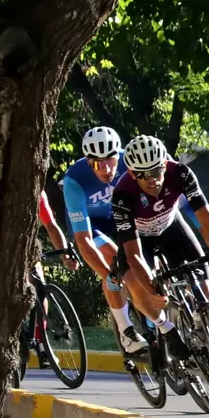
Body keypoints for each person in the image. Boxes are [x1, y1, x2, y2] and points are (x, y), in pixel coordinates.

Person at [110, 135, 209, 361]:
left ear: (164, 164)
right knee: (136, 283)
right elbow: (133, 254)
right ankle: (165, 328)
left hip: (172, 228)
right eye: (143, 175)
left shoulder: (180, 173)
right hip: (141, 240)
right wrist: (152, 291)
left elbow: (206, 218)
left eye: (156, 171)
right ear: (132, 174)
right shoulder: (122, 195)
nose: (152, 179)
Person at [62, 126, 148, 354]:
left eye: (111, 161)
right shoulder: (74, 179)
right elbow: (84, 240)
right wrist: (108, 275)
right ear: (89, 162)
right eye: (99, 164)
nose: (107, 169)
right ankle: (126, 329)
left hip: (118, 215)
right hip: (90, 224)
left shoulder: (129, 161)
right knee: (113, 260)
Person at [31, 190, 80, 368]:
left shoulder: (38, 195)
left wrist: (65, 253)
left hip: (25, 247)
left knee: (40, 285)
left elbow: (51, 226)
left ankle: (41, 343)